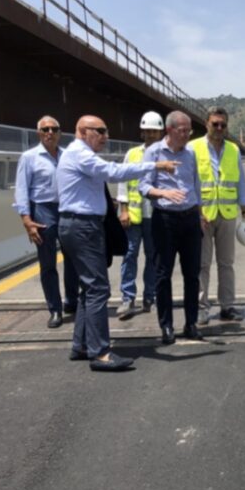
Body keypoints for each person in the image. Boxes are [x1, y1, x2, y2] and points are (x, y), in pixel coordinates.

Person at [57, 115, 177, 371]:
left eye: (105, 130)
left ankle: (81, 345)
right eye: (99, 131)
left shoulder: (77, 154)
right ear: (81, 131)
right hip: (83, 226)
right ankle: (100, 353)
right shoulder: (81, 154)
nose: (105, 136)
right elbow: (113, 173)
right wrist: (154, 167)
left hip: (79, 225)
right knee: (98, 288)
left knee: (88, 289)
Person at [139, 111, 203, 344]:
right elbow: (143, 186)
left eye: (189, 131)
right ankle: (166, 325)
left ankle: (191, 323)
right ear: (169, 130)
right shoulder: (154, 152)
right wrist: (164, 192)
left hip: (190, 220)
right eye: (182, 130)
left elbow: (196, 183)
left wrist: (200, 213)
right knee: (163, 274)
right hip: (164, 219)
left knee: (192, 274)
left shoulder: (190, 154)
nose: (186, 135)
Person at [13, 115, 79, 328]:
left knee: (73, 259)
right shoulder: (29, 157)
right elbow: (22, 189)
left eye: (54, 129)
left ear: (60, 133)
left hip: (66, 208)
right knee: (48, 263)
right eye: (45, 129)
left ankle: (72, 301)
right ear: (39, 133)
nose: (50, 132)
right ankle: (55, 309)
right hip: (42, 210)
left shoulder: (68, 155)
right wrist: (26, 219)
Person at [188, 106, 245, 325]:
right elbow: (188, 182)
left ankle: (227, 306)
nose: (219, 128)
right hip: (203, 215)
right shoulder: (193, 147)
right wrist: (195, 212)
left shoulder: (233, 150)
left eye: (223, 124)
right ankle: (201, 308)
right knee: (202, 264)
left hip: (226, 214)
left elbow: (241, 182)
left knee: (226, 263)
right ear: (206, 123)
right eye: (215, 124)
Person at [116, 111, 164, 319]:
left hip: (155, 216)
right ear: (142, 133)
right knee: (129, 255)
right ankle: (128, 297)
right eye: (147, 131)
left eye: (154, 131)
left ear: (161, 132)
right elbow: (122, 181)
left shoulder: (166, 154)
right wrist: (123, 209)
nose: (151, 135)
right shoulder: (132, 154)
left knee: (153, 258)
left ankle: (149, 297)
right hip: (134, 216)